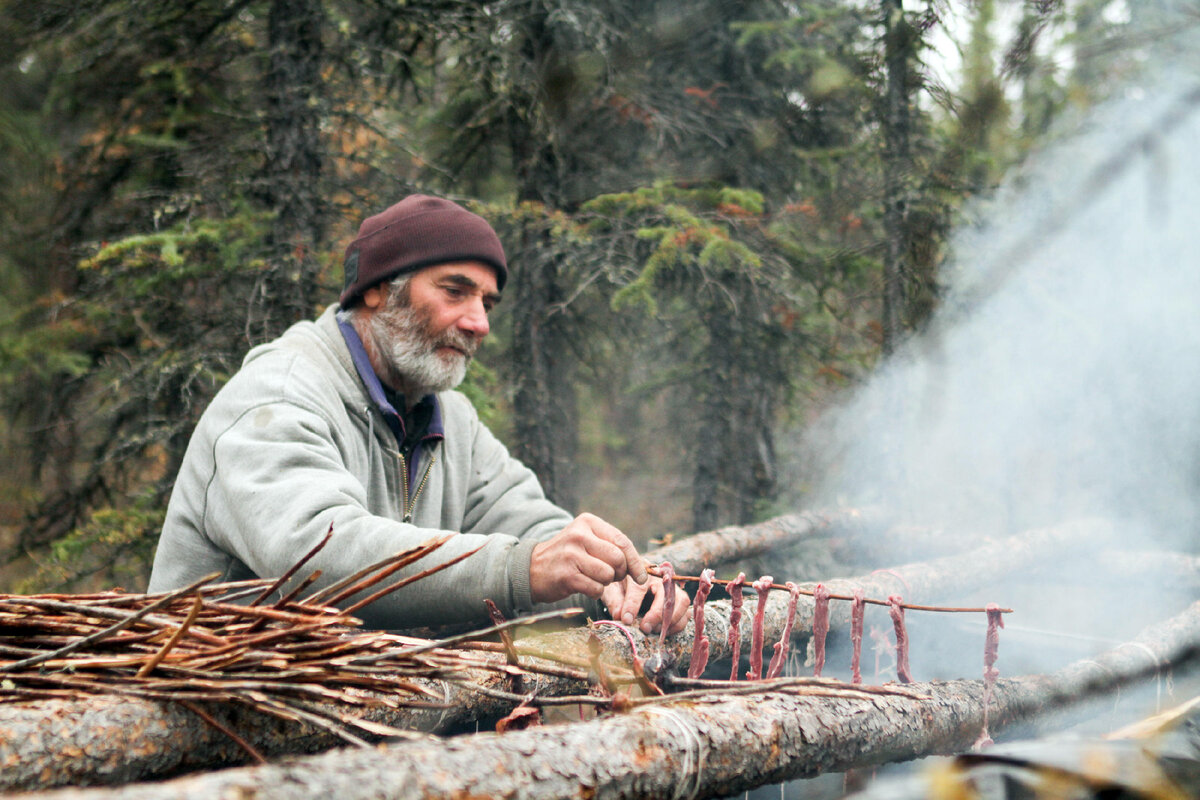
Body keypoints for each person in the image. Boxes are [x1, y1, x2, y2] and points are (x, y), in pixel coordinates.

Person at [148, 194, 689, 634]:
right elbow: (319, 556)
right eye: (456, 291)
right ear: (378, 291)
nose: (478, 322)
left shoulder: (448, 416)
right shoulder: (277, 395)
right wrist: (520, 568)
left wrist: (611, 581)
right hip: (222, 739)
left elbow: (524, 522)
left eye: (487, 303)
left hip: (359, 736)